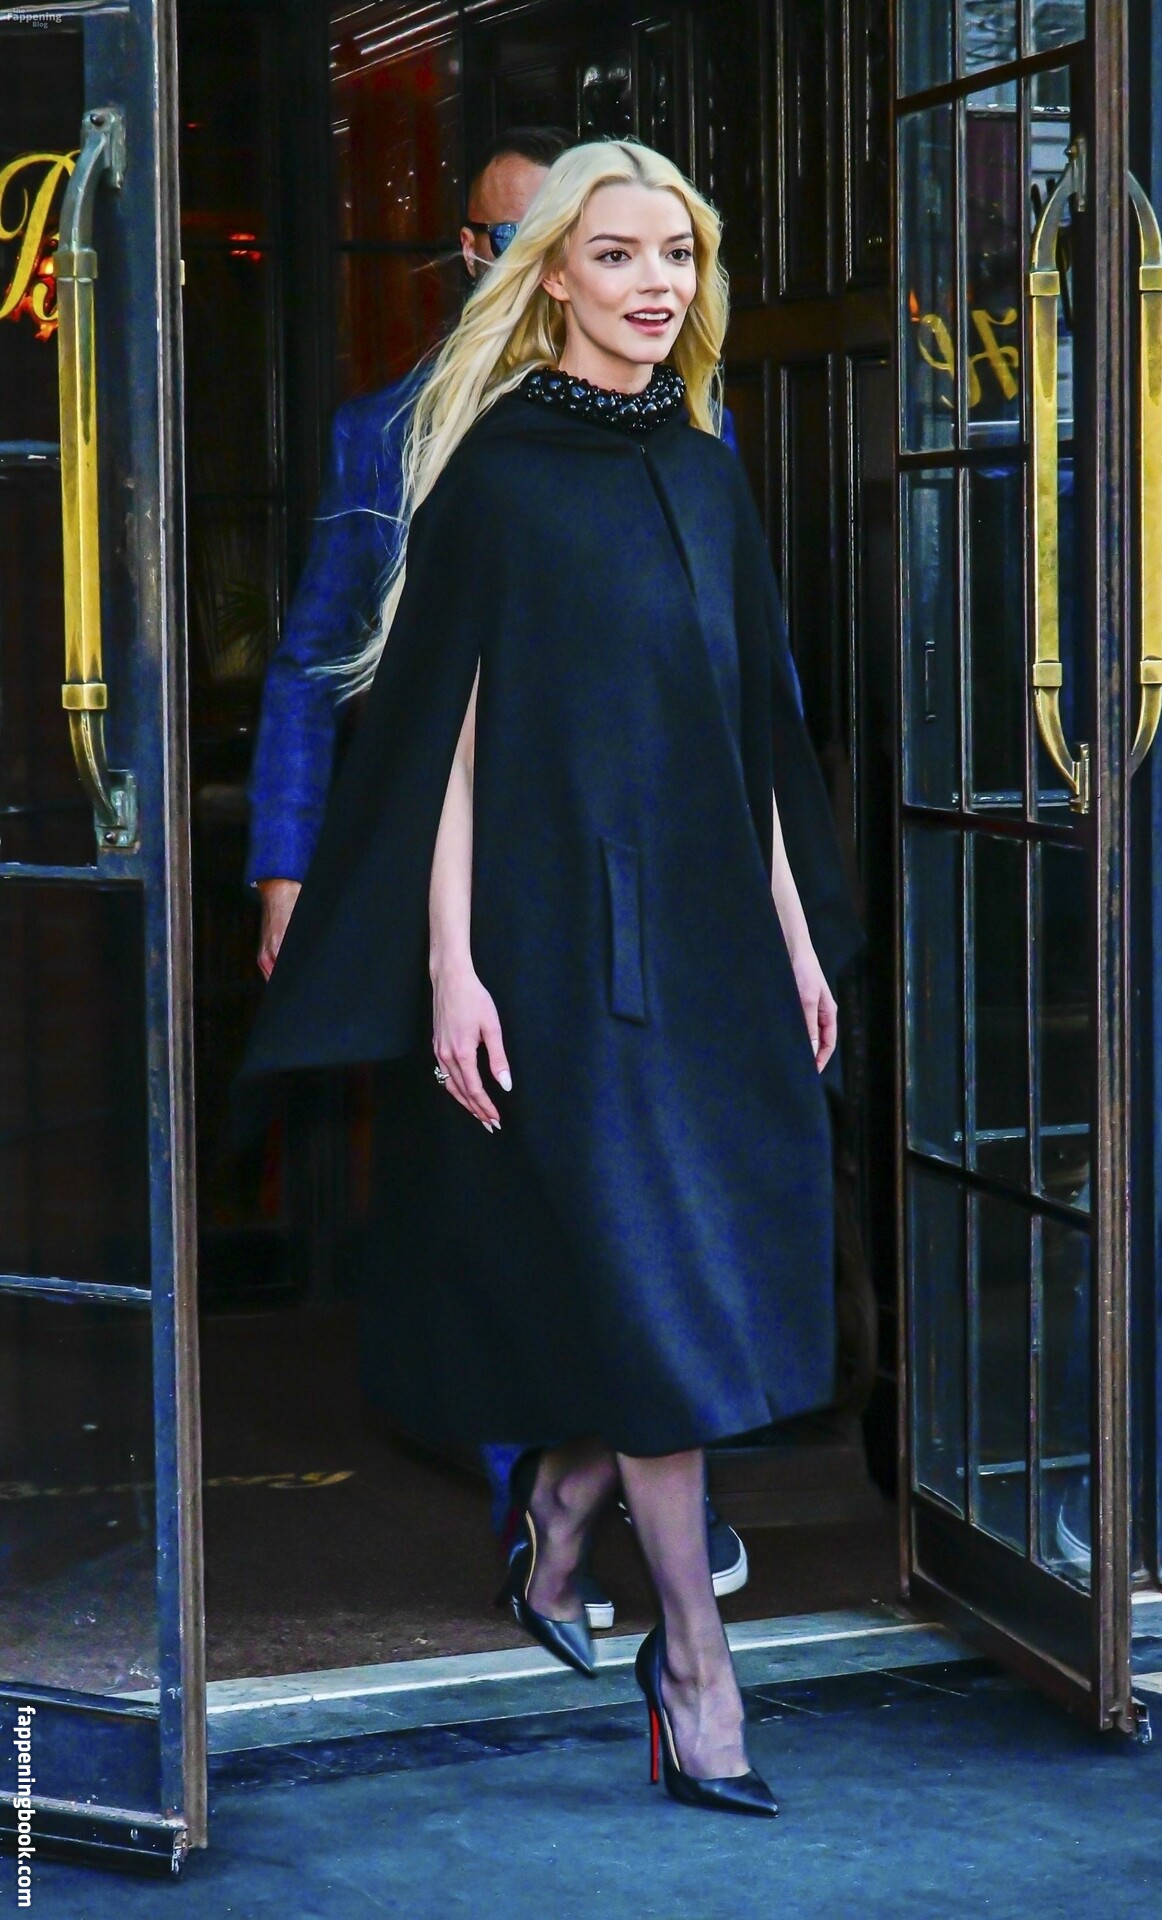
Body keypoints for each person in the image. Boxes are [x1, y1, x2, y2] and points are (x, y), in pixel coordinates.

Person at [238, 137, 861, 1816]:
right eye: (619, 255)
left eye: (678, 255)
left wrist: (797, 934)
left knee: (696, 1262)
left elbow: (753, 728)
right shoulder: (492, 471)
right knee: (649, 1277)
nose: (656, 284)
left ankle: (565, 1502)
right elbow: (439, 741)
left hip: (711, 930)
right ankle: (693, 1668)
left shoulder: (710, 470)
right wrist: (450, 964)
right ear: (551, 277)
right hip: (554, 941)